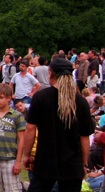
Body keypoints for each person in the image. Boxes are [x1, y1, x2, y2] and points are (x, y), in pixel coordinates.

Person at [23, 57, 94, 192]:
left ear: (50, 73)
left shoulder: (41, 97)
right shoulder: (81, 102)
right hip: (72, 163)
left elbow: (30, 129)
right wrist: (84, 163)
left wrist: (27, 154)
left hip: (45, 160)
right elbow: (85, 137)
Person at [0, 83, 25, 192]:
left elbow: (21, 139)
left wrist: (18, 161)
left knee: (12, 189)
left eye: (1, 97)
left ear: (9, 98)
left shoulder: (17, 116)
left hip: (10, 158)